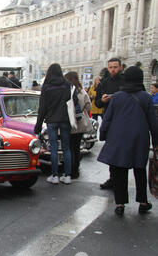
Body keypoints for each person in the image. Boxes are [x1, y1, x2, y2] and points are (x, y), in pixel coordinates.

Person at [97, 66, 158, 216]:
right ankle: (143, 202)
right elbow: (153, 122)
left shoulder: (117, 97)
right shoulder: (146, 97)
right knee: (139, 170)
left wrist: (103, 136)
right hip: (139, 139)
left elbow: (107, 119)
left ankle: (120, 204)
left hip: (118, 139)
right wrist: (156, 142)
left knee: (119, 171)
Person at [34, 63, 73, 185]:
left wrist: (38, 124)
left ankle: (55, 175)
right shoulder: (67, 85)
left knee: (54, 148)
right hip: (65, 119)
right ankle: (67, 176)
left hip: (51, 120)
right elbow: (71, 101)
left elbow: (42, 108)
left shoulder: (47, 86)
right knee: (66, 148)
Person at [95, 58, 125, 190]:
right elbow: (97, 103)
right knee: (112, 151)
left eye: (115, 67)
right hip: (110, 120)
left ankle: (120, 179)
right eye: (111, 67)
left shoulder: (125, 82)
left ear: (120, 67)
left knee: (124, 151)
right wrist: (102, 100)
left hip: (124, 120)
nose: (113, 69)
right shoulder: (104, 83)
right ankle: (113, 178)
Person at [65, 72, 92, 179]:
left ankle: (71, 170)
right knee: (76, 148)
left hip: (70, 123)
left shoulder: (66, 91)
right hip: (81, 124)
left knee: (70, 148)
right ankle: (76, 169)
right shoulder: (82, 92)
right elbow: (89, 106)